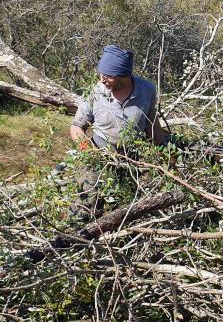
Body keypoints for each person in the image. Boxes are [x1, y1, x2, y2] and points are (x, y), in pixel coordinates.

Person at [68, 45, 166, 218]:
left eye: (109, 76)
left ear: (124, 76)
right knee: (86, 206)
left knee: (126, 209)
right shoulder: (95, 92)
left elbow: (152, 124)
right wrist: (87, 152)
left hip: (131, 157)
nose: (102, 79)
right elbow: (76, 127)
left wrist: (163, 152)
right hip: (98, 155)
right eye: (101, 74)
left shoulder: (147, 90)